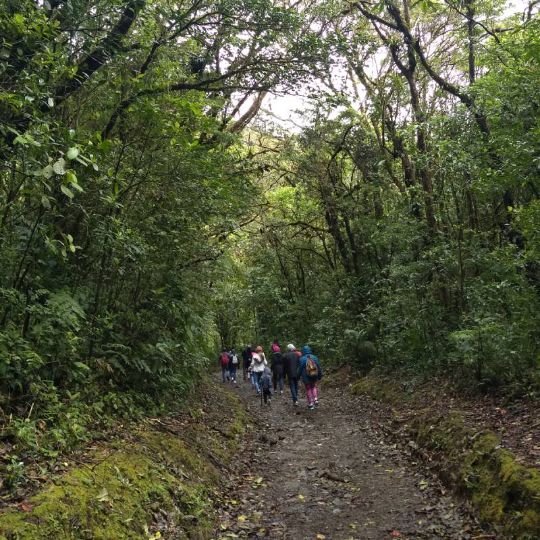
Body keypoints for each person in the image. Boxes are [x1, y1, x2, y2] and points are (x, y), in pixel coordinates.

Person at [297, 345, 322, 409]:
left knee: (308, 388)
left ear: (303, 351)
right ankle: (316, 399)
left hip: (306, 376)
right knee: (313, 386)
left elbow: (299, 369)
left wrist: (298, 377)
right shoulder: (315, 357)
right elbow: (318, 367)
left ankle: (310, 403)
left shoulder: (301, 359)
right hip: (314, 375)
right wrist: (320, 375)